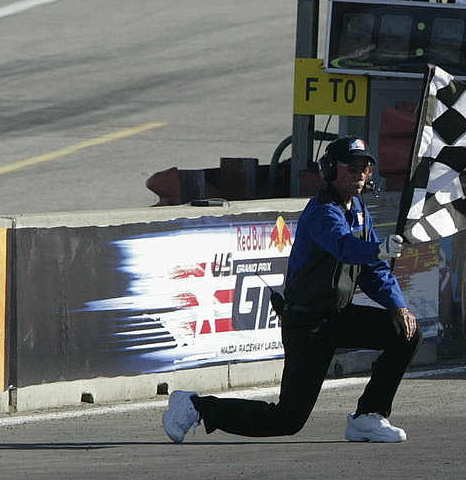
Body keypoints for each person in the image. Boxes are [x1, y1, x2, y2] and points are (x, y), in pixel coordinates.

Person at [162, 135, 421, 443]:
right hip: (307, 322)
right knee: (287, 419)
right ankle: (196, 406)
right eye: (352, 168)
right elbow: (343, 247)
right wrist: (378, 250)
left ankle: (369, 416)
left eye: (365, 168)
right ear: (330, 170)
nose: (360, 175)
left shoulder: (358, 209)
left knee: (405, 333)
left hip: (337, 316)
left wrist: (397, 306)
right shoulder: (323, 211)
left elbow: (372, 271)